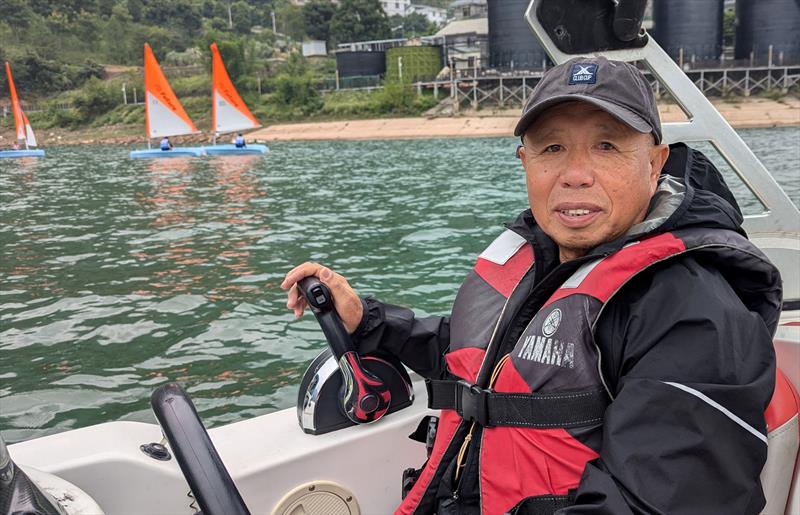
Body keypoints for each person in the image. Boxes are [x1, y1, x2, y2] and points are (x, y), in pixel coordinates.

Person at [282, 56, 781, 514]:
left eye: (606, 146)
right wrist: (366, 320)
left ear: (654, 164)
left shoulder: (694, 312)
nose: (575, 174)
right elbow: (482, 361)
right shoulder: (542, 259)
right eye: (552, 148)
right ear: (526, 162)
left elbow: (663, 501)